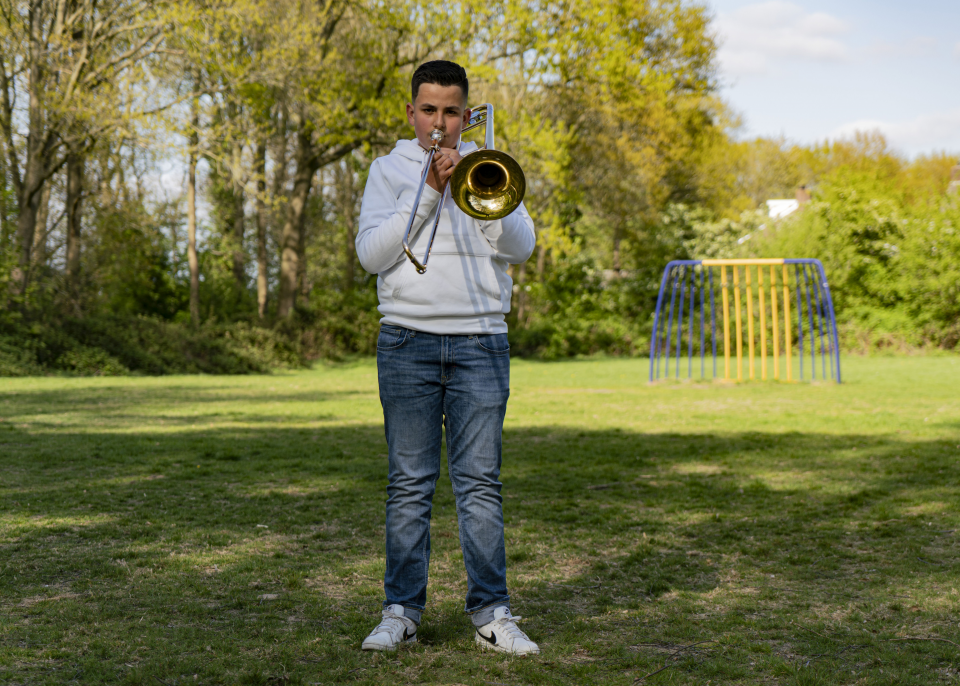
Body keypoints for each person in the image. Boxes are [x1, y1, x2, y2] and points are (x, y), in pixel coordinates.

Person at [354, 60, 539, 656]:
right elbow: (370, 256)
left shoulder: (490, 164)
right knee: (408, 485)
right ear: (411, 113)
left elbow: (523, 247)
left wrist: (476, 192)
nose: (439, 122)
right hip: (407, 341)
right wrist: (432, 192)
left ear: (467, 114)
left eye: (451, 111)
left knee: (480, 485)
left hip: (481, 342)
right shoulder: (388, 172)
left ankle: (491, 613)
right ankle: (401, 611)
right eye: (428, 110)